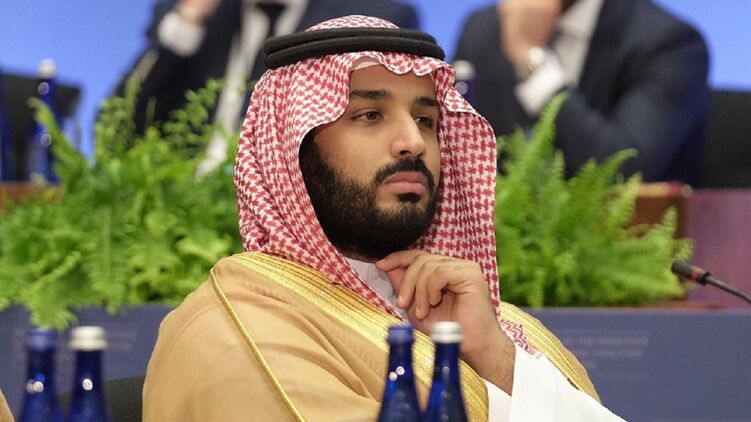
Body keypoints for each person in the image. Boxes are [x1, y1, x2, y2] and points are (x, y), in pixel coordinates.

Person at [142, 15, 625, 421]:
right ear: (291, 152)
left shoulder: (492, 325)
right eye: (369, 115)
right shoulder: (238, 329)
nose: (413, 142)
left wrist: (493, 358)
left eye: (426, 120)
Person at [114, 0, 418, 171]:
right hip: (186, 210)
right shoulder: (195, 15)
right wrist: (189, 20)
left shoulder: (369, 18)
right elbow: (118, 128)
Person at [453, 0, 709, 185]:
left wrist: (531, 63)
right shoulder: (482, 31)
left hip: (620, 238)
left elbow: (623, 169)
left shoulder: (669, 44)